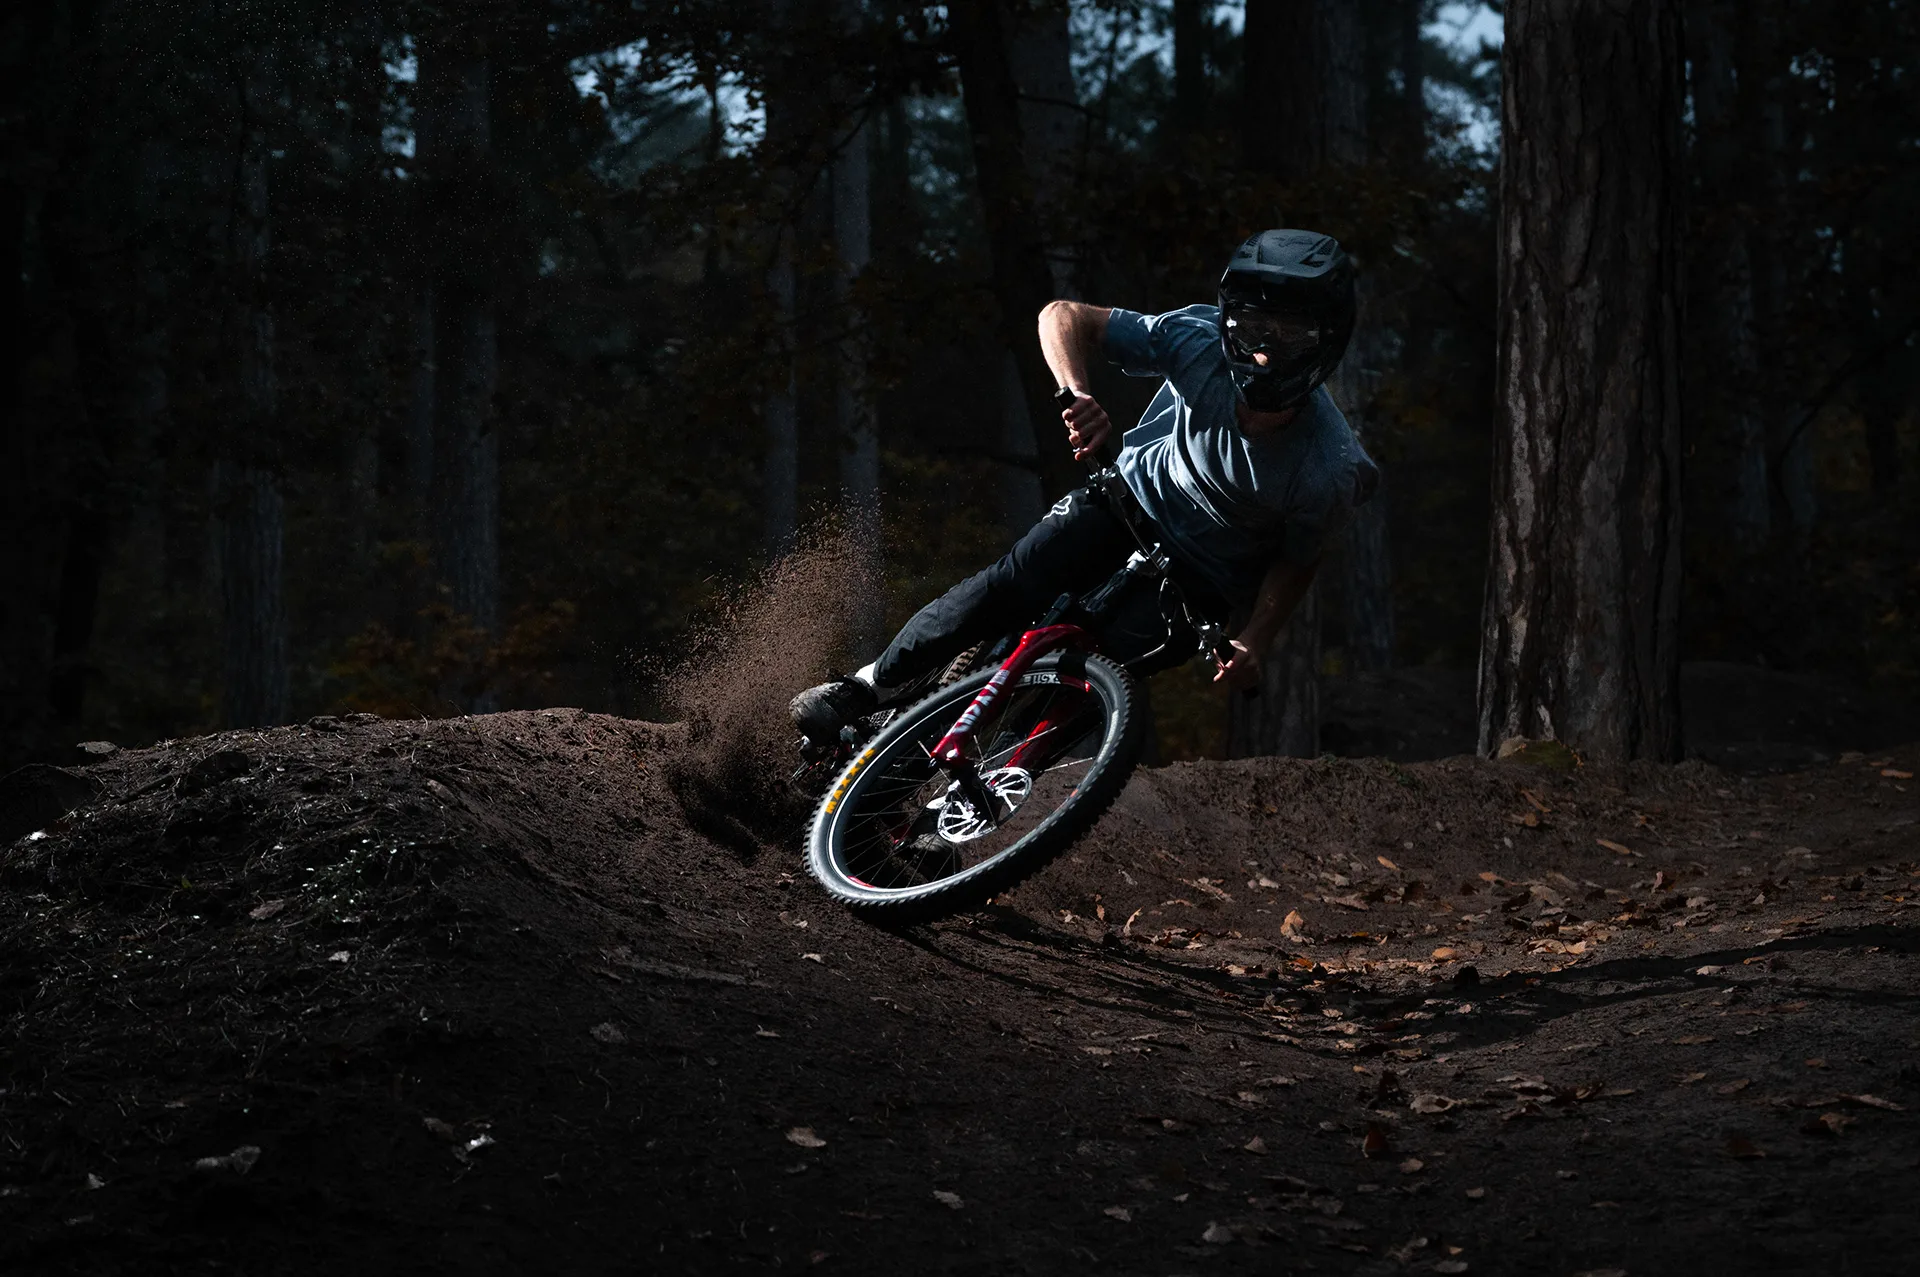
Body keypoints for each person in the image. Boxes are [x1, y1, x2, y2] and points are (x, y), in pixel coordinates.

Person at [791, 228, 1380, 745]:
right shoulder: (1197, 339)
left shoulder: (1332, 468)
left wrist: (1255, 640)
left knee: (1083, 690)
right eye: (1252, 325)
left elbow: (1300, 558)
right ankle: (863, 689)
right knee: (1009, 585)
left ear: (1326, 341)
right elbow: (1062, 315)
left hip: (1203, 583)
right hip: (1126, 503)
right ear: (1229, 319)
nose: (1264, 350)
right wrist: (1075, 392)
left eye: (1290, 334)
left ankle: (966, 803)